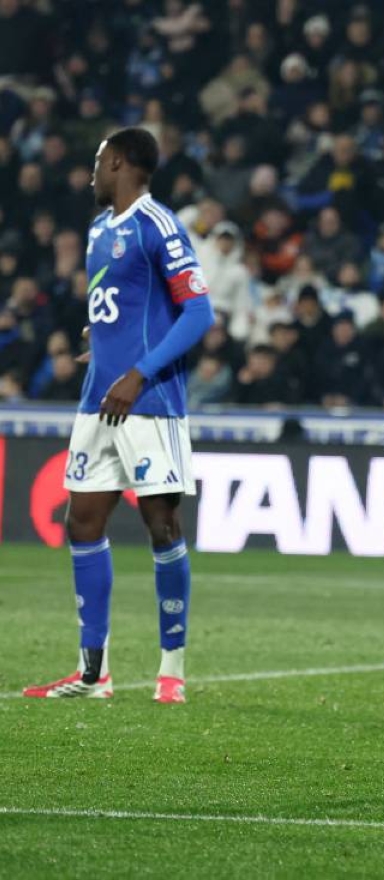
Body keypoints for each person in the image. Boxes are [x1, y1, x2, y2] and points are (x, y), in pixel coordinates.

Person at [23, 129, 215, 704]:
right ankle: (92, 674)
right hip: (96, 400)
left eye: (99, 161)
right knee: (81, 521)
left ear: (121, 163)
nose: (92, 171)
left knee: (161, 525)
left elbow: (197, 313)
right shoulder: (99, 229)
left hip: (149, 402)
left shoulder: (158, 223)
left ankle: (171, 671)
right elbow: (124, 307)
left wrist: (138, 372)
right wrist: (101, 344)